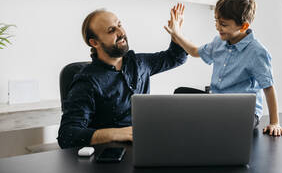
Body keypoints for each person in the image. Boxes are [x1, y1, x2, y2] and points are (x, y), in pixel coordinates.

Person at [58, 9, 187, 149]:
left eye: (119, 25)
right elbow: (67, 135)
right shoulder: (87, 81)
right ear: (94, 42)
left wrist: (177, 34)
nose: (121, 32)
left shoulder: (139, 63)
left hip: (145, 145)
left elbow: (176, 57)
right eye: (111, 30)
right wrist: (116, 134)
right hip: (109, 156)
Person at [164, 0, 282, 137]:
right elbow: (195, 51)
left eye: (223, 24)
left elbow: (268, 87)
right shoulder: (218, 42)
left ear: (244, 26)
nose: (217, 27)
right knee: (180, 94)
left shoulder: (257, 52)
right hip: (217, 104)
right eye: (216, 21)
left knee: (226, 123)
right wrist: (177, 34)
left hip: (242, 112)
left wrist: (274, 122)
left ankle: (211, 125)